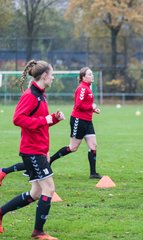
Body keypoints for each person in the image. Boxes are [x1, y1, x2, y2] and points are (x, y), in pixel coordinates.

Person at [0, 60, 65, 240]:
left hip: (39, 150)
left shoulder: (42, 95)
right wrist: (44, 121)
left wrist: (53, 118)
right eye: (51, 74)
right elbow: (17, 119)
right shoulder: (30, 95)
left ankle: (0, 212)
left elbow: (40, 123)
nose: (52, 78)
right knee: (49, 189)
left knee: (36, 192)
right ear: (44, 75)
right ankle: (38, 232)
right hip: (32, 150)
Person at [49, 67, 102, 179]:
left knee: (93, 145)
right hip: (79, 120)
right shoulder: (82, 88)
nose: (92, 76)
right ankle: (49, 161)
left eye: (92, 74)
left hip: (88, 121)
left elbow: (85, 105)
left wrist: (93, 110)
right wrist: (91, 106)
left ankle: (93, 173)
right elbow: (79, 105)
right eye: (89, 74)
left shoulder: (88, 87)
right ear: (83, 77)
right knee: (73, 147)